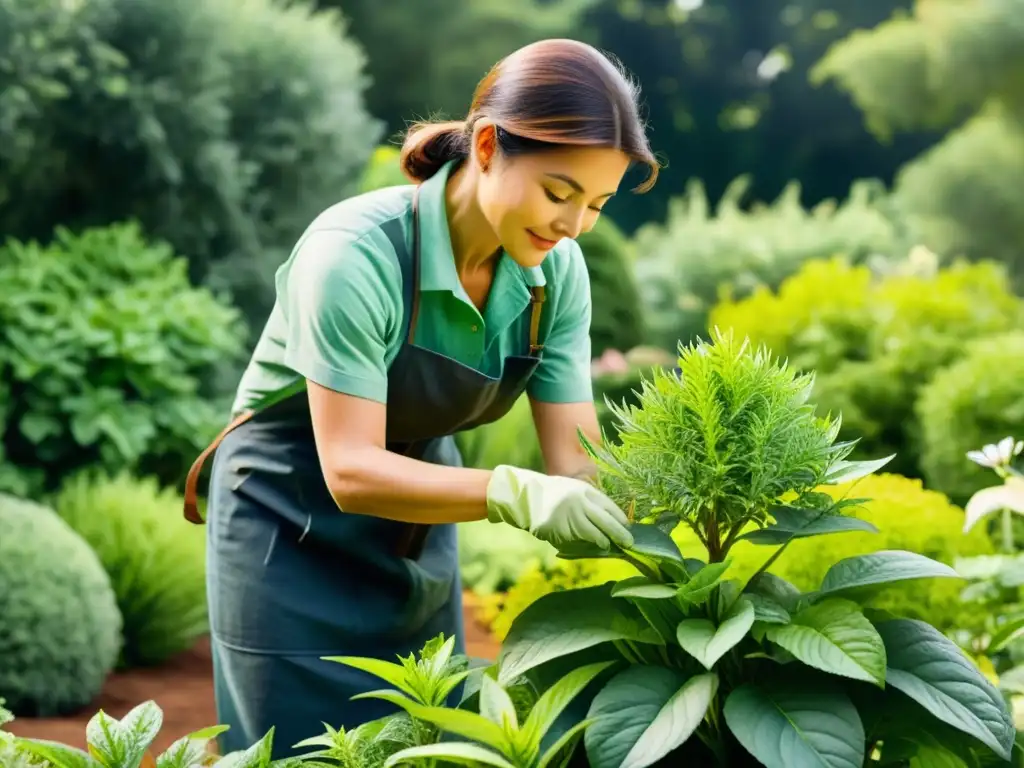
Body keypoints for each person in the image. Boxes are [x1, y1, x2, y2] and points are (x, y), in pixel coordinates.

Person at [182, 37, 660, 759]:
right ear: (491, 146)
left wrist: (666, 515)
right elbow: (348, 469)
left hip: (416, 526)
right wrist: (512, 491)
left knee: (422, 742)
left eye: (595, 205)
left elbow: (577, 464)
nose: (572, 225)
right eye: (559, 192)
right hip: (287, 521)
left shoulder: (555, 276)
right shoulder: (355, 253)